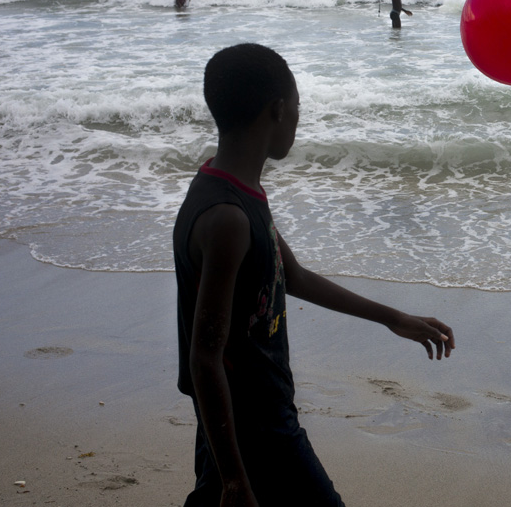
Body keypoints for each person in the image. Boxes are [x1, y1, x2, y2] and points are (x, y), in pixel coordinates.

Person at [174, 43, 455, 506]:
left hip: (238, 412)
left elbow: (295, 276)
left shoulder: (231, 188)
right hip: (254, 420)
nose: (299, 120)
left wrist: (393, 317)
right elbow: (204, 358)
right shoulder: (227, 219)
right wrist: (232, 478)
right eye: (298, 108)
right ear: (278, 110)